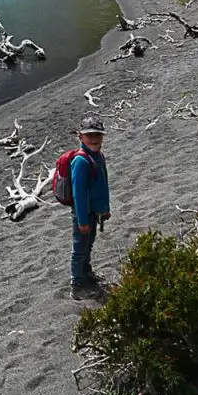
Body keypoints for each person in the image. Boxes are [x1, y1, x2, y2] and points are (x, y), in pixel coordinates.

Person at [70, 117, 110, 299]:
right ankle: (76, 283)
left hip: (94, 212)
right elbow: (78, 195)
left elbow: (103, 185)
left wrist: (105, 208)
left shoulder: (98, 157)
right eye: (89, 135)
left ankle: (87, 273)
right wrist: (82, 221)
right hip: (83, 214)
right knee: (79, 248)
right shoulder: (81, 161)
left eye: (98, 135)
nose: (94, 139)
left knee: (89, 244)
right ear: (80, 137)